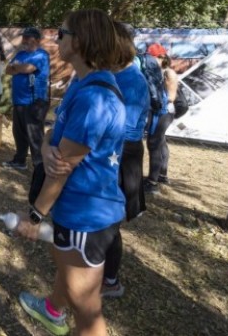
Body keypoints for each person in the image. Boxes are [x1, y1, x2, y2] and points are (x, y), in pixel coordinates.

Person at [13, 9, 130, 336]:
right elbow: (56, 134)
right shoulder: (83, 82)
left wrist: (34, 219)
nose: (55, 39)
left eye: (61, 34)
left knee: (87, 310)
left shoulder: (94, 97)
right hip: (78, 212)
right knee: (67, 268)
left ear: (79, 42)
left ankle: (57, 312)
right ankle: (52, 310)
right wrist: (49, 146)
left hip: (86, 215)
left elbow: (61, 171)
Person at [101, 22, 150, 298]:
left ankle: (110, 280)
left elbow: (127, 127)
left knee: (110, 220)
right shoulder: (109, 73)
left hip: (122, 153)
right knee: (102, 216)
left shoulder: (133, 80)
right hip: (110, 151)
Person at [1, 26, 50, 171]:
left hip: (35, 101)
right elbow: (8, 69)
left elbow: (28, 68)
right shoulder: (21, 54)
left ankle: (39, 166)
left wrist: (18, 67)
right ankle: (20, 160)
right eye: (24, 38)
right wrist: (18, 67)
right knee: (19, 133)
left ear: (36, 40)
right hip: (19, 100)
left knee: (35, 135)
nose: (24, 41)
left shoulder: (42, 55)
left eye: (27, 38)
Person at [144, 43, 178, 193]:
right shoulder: (156, 72)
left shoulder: (168, 73)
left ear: (163, 57)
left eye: (155, 58)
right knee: (160, 142)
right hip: (161, 110)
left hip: (164, 111)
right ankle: (162, 175)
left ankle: (152, 183)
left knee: (154, 143)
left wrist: (158, 102)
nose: (152, 61)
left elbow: (171, 96)